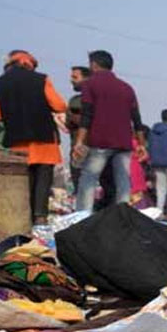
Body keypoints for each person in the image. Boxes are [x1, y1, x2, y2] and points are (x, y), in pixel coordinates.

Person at [0, 50, 66, 224]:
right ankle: (40, 219)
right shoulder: (42, 79)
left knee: (24, 184)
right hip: (45, 142)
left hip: (16, 144)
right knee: (43, 180)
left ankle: (24, 222)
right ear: (29, 63)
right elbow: (59, 105)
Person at [72, 50, 142, 212]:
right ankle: (122, 216)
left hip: (101, 141)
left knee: (89, 179)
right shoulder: (127, 88)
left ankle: (83, 216)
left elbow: (87, 115)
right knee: (123, 181)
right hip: (124, 142)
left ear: (94, 65)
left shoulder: (90, 84)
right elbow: (136, 118)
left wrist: (80, 141)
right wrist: (141, 144)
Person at [65, 66, 89, 190]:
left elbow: (72, 122)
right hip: (81, 149)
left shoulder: (77, 101)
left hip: (82, 150)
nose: (71, 80)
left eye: (75, 77)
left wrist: (70, 115)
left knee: (81, 189)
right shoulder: (75, 100)